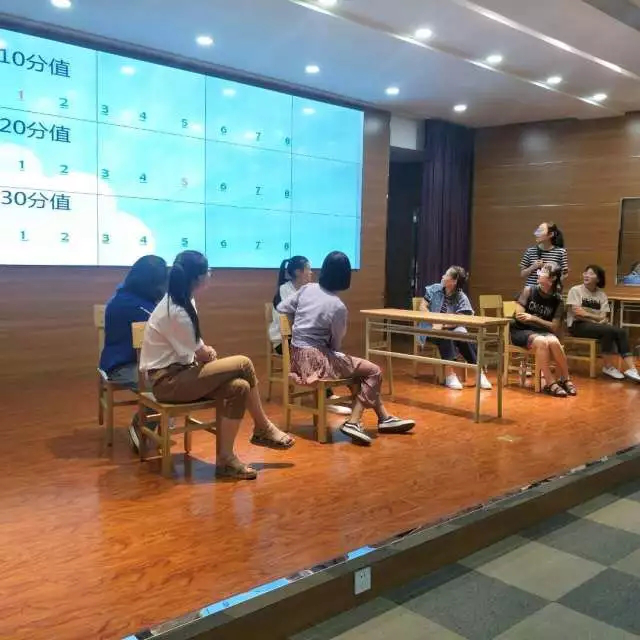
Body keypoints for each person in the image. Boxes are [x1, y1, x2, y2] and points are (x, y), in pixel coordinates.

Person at [139, 250, 294, 480]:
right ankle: (263, 427)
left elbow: (194, 346)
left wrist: (205, 352)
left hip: (182, 374)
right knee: (244, 363)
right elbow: (201, 353)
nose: (211, 273)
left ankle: (225, 460)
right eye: (208, 270)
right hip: (167, 383)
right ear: (197, 277)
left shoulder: (183, 299)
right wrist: (208, 352)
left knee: (239, 387)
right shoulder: (177, 310)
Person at [277, 250, 415, 446]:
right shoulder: (337, 306)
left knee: (359, 372)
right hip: (318, 362)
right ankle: (353, 421)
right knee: (373, 371)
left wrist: (299, 324)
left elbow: (282, 308)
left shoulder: (307, 289)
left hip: (297, 359)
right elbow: (336, 343)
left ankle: (384, 417)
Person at [99, 254, 168, 451]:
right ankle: (140, 427)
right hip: (122, 365)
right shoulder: (137, 306)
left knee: (168, 383)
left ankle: (159, 422)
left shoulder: (125, 296)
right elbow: (163, 335)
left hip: (134, 361)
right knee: (164, 388)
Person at [269, 256, 350, 416]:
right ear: (298, 272)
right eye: (308, 269)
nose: (311, 272)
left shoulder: (308, 289)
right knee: (318, 353)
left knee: (325, 348)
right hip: (284, 342)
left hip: (300, 338)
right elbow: (289, 316)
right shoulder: (285, 291)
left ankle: (325, 392)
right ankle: (325, 397)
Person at [419, 266, 492, 391]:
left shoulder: (461, 296)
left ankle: (479, 374)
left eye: (446, 275)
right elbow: (422, 307)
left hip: (452, 328)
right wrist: (434, 321)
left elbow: (462, 318)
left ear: (454, 281)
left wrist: (444, 325)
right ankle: (449, 376)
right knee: (446, 337)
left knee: (464, 338)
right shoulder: (434, 289)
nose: (443, 276)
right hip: (430, 328)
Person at [511, 262, 577, 397]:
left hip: (541, 331)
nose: (539, 273)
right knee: (542, 341)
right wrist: (541, 322)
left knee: (554, 341)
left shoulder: (557, 300)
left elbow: (554, 327)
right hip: (521, 330)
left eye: (543, 271)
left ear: (552, 278)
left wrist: (533, 318)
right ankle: (550, 382)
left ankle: (566, 379)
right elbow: (519, 316)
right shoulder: (528, 291)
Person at [567, 265, 640, 382]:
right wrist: (596, 318)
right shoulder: (575, 290)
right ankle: (615, 367)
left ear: (598, 279)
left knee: (616, 331)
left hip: (596, 326)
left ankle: (623, 368)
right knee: (609, 330)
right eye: (585, 273)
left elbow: (604, 317)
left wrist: (593, 317)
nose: (586, 275)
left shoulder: (601, 295)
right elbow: (577, 313)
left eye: (591, 274)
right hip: (577, 326)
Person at [520, 222, 569, 287]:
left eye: (540, 231)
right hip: (531, 290)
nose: (537, 234)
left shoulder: (561, 252)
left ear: (550, 234)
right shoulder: (530, 251)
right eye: (537, 230)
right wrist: (533, 267)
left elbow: (565, 274)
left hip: (550, 290)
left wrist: (552, 282)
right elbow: (522, 274)